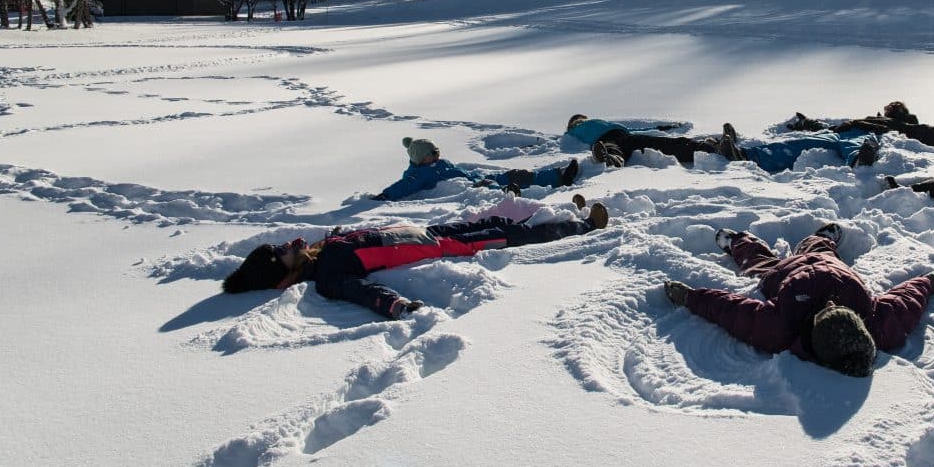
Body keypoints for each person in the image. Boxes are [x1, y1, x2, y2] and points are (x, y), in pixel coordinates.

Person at [222, 197, 611, 319]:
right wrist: (395, 306)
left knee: (496, 220)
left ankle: (558, 217)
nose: (291, 243)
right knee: (508, 236)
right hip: (443, 249)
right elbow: (360, 291)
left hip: (430, 233)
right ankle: (583, 229)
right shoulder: (328, 274)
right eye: (284, 251)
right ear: (284, 276)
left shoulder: (326, 249)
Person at [662, 224, 934, 377]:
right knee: (820, 247)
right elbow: (905, 302)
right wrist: (928, 283)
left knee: (757, 261)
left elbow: (732, 311)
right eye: (840, 309)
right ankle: (819, 238)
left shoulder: (779, 327)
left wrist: (690, 297)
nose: (831, 304)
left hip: (780, 274)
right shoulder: (877, 324)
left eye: (828, 311)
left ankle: (738, 242)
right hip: (827, 262)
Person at [374, 137, 578, 201]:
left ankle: (559, 176)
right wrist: (385, 195)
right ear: (421, 158)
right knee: (492, 186)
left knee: (517, 175)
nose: (437, 155)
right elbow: (404, 186)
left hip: (478, 177)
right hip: (472, 186)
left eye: (437, 151)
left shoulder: (439, 163)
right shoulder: (419, 174)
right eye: (432, 154)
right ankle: (509, 198)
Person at [786, 100, 934, 148]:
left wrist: (808, 123)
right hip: (863, 134)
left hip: (852, 129)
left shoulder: (874, 119)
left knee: (826, 137)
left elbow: (830, 128)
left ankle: (802, 127)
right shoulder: (905, 127)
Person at [565, 114, 720, 167]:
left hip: (626, 137)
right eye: (578, 121)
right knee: (610, 148)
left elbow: (637, 130)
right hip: (604, 140)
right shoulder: (572, 133)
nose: (581, 121)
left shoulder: (603, 123)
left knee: (663, 144)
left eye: (582, 119)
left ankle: (707, 148)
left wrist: (663, 127)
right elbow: (566, 143)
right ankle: (610, 159)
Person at [715, 123, 880, 172]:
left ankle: (859, 160)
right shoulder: (859, 119)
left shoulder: (889, 121)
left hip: (863, 132)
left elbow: (906, 125)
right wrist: (804, 123)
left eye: (894, 106)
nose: (890, 107)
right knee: (802, 144)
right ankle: (746, 155)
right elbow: (819, 125)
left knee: (855, 144)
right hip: (837, 132)